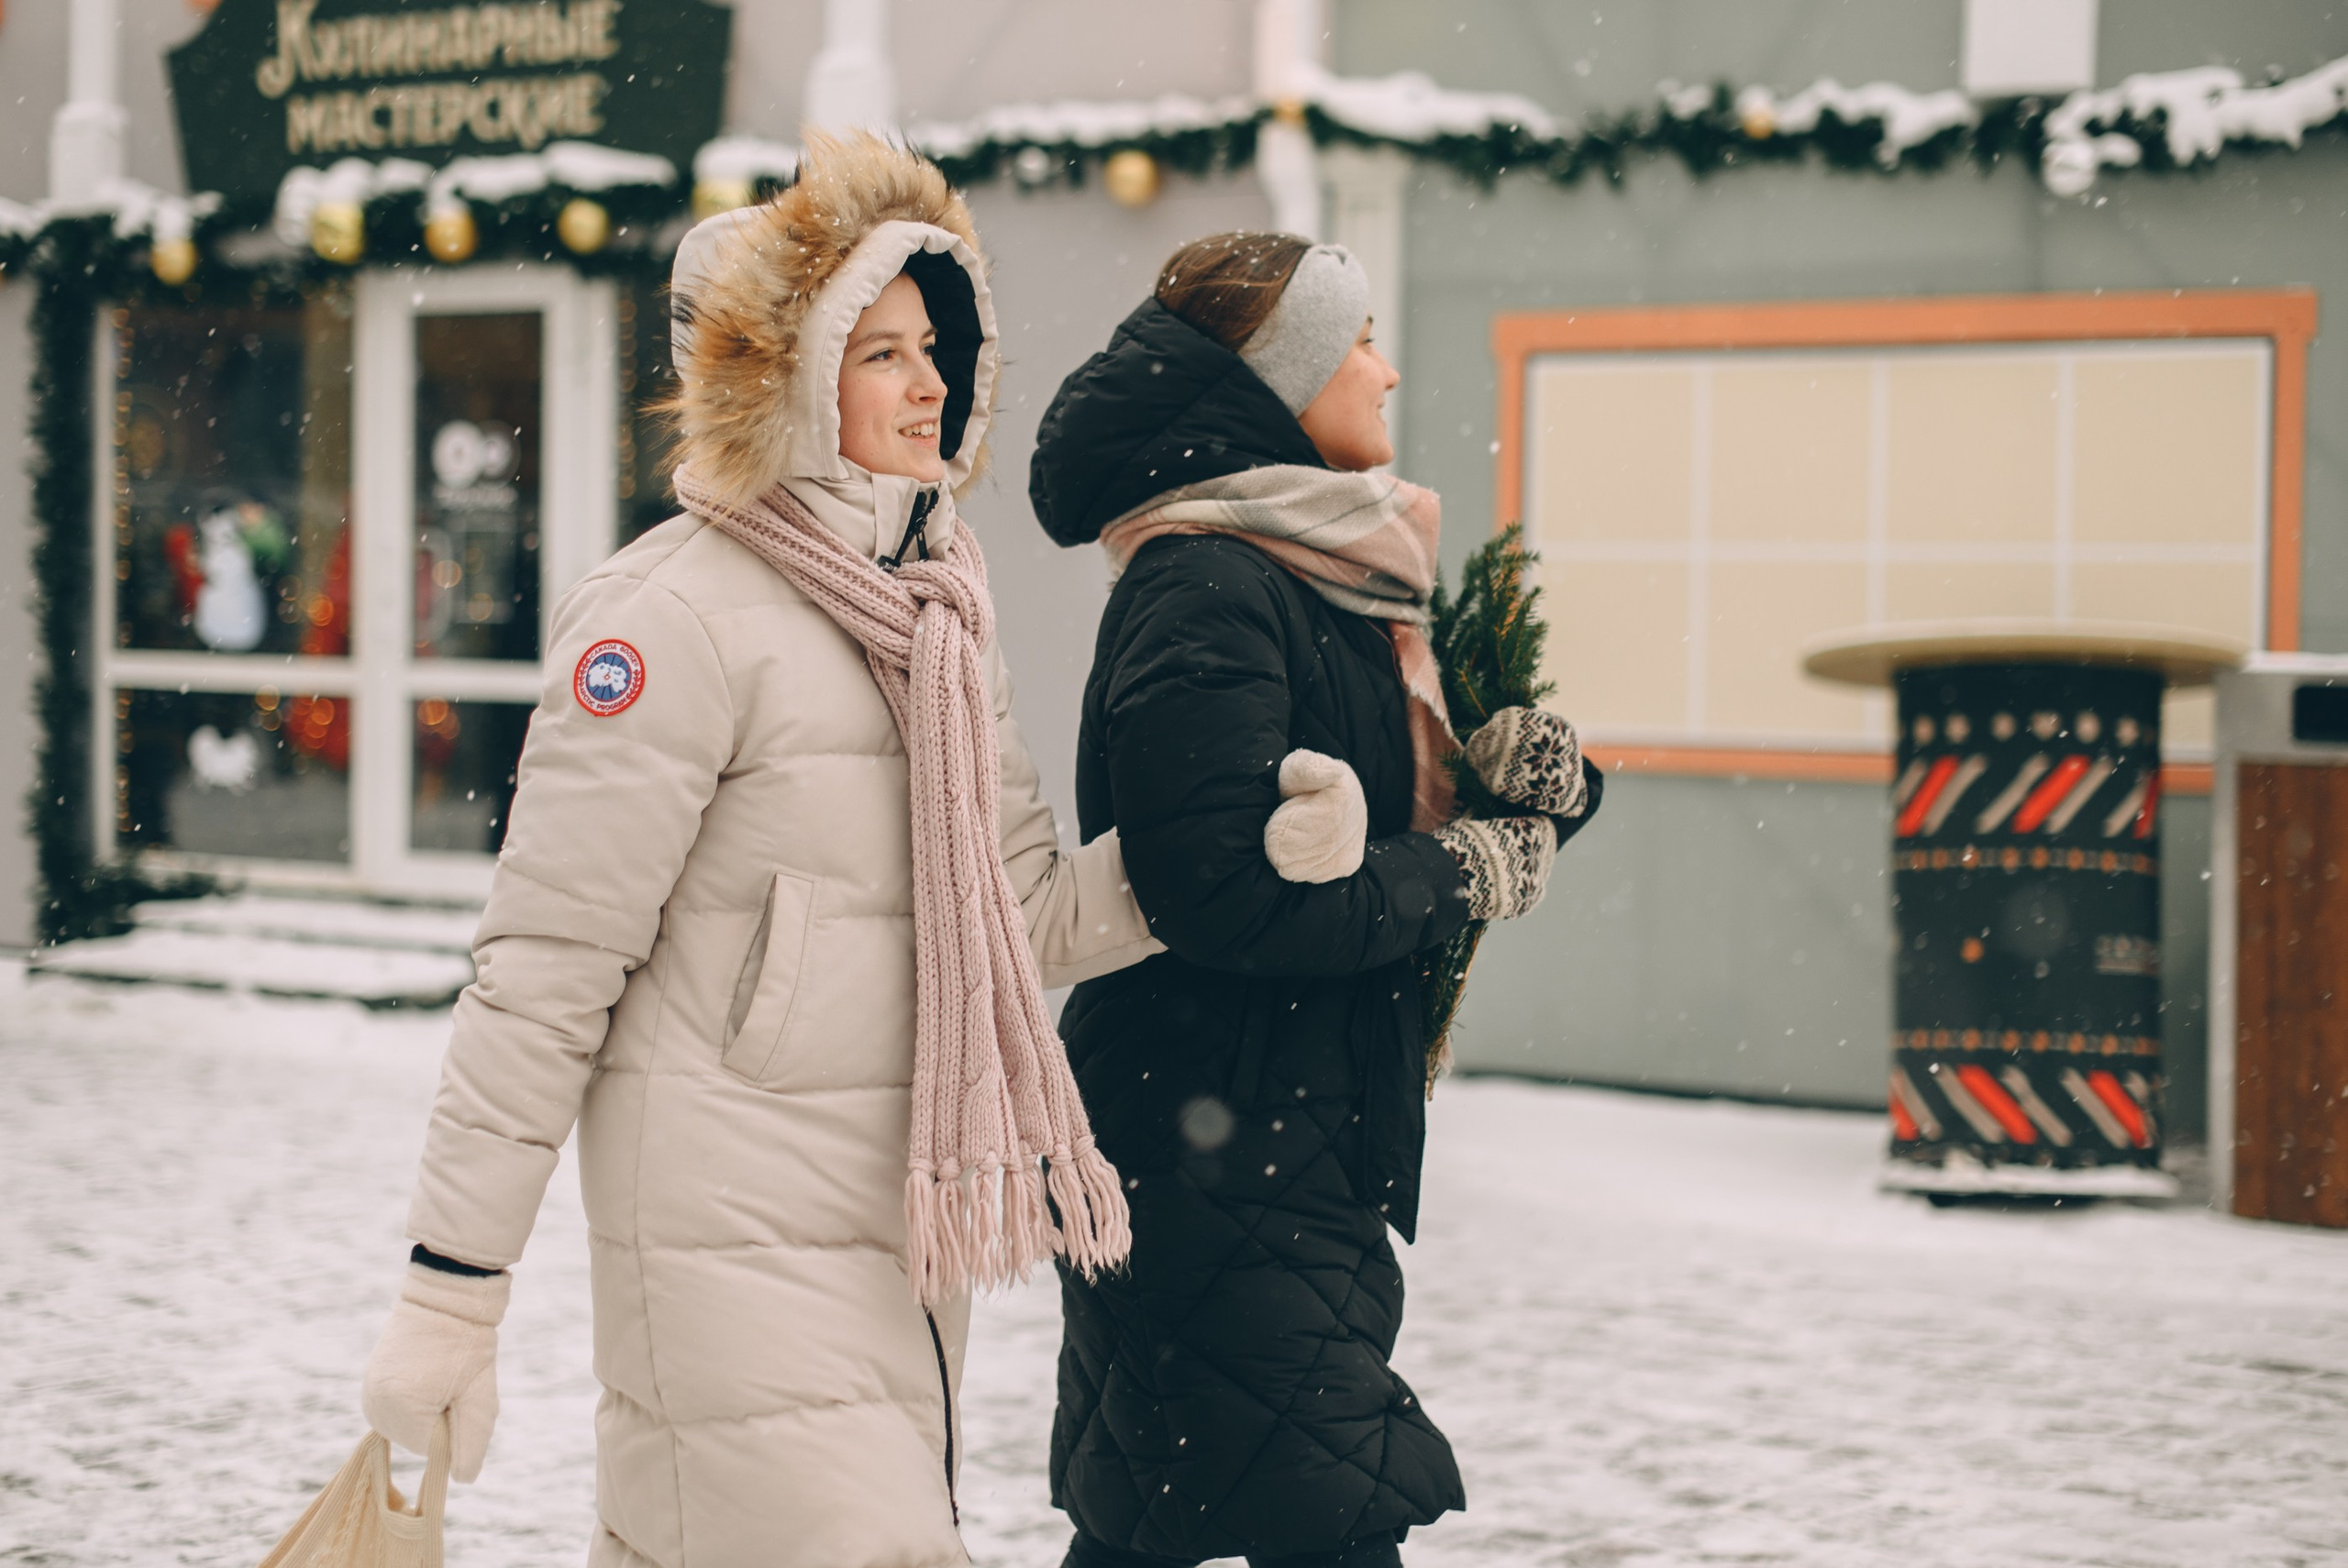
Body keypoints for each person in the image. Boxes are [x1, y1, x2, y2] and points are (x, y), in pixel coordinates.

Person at [352, 138, 1346, 1568]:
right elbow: (542, 977)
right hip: (726, 1232)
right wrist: (453, 1290)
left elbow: (1021, 912)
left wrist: (1234, 852)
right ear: (786, 376)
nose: (930, 381)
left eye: (935, 346)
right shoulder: (664, 622)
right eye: (883, 351)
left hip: (898, 1221)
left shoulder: (938, 624)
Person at [1027, 233, 1604, 1568]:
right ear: (1276, 380)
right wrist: (1455, 873)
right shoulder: (1206, 582)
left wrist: (1551, 788)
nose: (1388, 370)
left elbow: (1415, 800)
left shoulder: (1334, 572)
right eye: (1356, 345)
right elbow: (1216, 892)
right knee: (1318, 1512)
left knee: (1173, 1511)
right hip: (1204, 1140)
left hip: (1291, 1127)